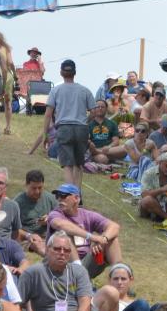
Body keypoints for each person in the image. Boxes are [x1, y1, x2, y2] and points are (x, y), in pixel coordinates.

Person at [18, 231, 94, 311]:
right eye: (57, 249)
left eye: (66, 250)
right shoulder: (32, 273)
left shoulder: (79, 271)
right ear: (48, 250)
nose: (62, 252)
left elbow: (85, 304)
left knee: (109, 292)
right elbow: (16, 306)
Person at [45, 183, 122, 277]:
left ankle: (119, 275)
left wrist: (103, 239)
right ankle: (78, 275)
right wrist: (92, 237)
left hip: (85, 262)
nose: (59, 199)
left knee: (112, 239)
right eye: (57, 196)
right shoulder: (55, 214)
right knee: (64, 235)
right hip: (62, 264)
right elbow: (60, 225)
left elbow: (114, 226)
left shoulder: (87, 215)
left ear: (76, 198)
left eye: (63, 196)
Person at [44, 59, 94, 193]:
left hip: (64, 128)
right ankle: (78, 196)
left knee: (67, 164)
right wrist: (86, 121)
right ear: (75, 73)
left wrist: (45, 134)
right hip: (81, 128)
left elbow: (48, 114)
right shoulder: (85, 90)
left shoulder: (56, 90)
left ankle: (71, 195)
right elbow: (94, 111)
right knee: (79, 164)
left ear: (61, 73)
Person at [138, 150, 167, 227]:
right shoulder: (149, 173)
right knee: (147, 200)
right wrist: (162, 189)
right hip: (149, 207)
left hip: (166, 206)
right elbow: (144, 194)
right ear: (160, 163)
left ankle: (164, 216)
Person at [0, 31, 16, 135]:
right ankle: (8, 126)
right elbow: (10, 62)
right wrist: (15, 73)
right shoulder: (7, 48)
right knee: (7, 102)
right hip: (7, 76)